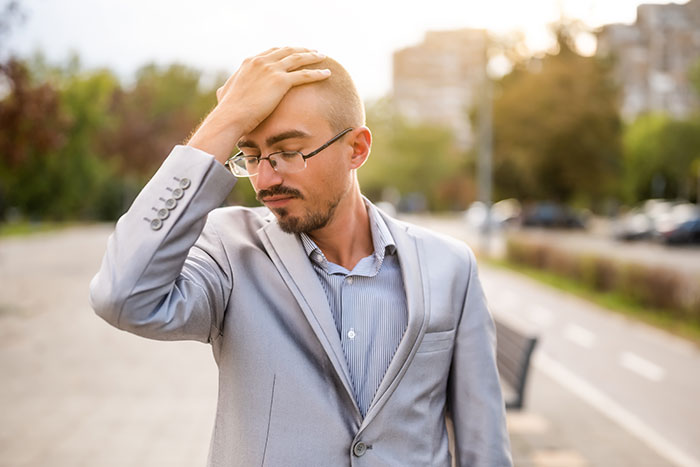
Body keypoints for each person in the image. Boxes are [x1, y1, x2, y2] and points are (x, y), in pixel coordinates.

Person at [89, 47, 512, 466]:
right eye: (251, 157)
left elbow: (485, 448)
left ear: (357, 149)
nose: (264, 180)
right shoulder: (228, 250)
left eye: (288, 151)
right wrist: (226, 119)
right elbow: (122, 295)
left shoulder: (451, 266)